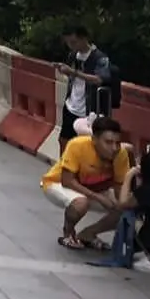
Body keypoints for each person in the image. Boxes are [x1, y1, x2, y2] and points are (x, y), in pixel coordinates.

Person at [42, 116, 137, 251]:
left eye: (117, 142)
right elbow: (67, 180)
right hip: (57, 184)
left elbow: (119, 187)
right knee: (81, 202)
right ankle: (68, 233)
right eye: (108, 142)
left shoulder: (120, 153)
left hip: (92, 189)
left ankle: (89, 233)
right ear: (94, 140)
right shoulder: (77, 145)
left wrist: (122, 203)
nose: (114, 148)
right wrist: (99, 198)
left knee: (126, 208)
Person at [60, 25, 115, 145]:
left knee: (84, 145)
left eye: (73, 42)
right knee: (64, 141)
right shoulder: (73, 56)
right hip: (71, 105)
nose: (71, 46)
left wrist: (74, 72)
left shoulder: (99, 58)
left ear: (84, 38)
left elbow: (99, 79)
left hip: (89, 110)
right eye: (68, 43)